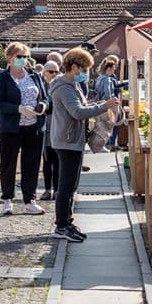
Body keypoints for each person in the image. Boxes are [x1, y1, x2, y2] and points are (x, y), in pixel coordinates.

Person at [48, 47, 121, 242]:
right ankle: (61, 225)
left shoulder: (72, 84)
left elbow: (81, 106)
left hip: (73, 139)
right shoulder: (64, 87)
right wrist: (103, 106)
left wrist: (97, 105)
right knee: (66, 185)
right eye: (83, 69)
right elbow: (77, 112)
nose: (85, 73)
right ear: (73, 67)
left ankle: (67, 221)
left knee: (72, 184)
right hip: (67, 140)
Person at [0, 43, 49, 216]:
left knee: (31, 164)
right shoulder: (3, 77)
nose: (23, 59)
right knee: (8, 164)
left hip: (34, 127)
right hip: (11, 128)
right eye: (19, 56)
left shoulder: (34, 76)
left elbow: (45, 98)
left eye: (25, 56)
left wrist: (42, 106)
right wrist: (17, 108)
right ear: (10, 58)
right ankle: (7, 199)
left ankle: (30, 200)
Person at [39, 61, 61, 201]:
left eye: (56, 71)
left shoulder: (61, 85)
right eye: (51, 71)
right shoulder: (41, 85)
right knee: (47, 161)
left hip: (58, 127)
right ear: (44, 72)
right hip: (45, 127)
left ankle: (58, 190)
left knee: (58, 161)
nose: (54, 74)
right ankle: (47, 189)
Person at [94, 58, 122, 151]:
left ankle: (100, 145)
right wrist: (113, 100)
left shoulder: (99, 78)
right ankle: (105, 145)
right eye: (113, 69)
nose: (114, 71)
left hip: (99, 104)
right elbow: (108, 94)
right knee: (108, 126)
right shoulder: (107, 80)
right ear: (109, 69)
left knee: (100, 125)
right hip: (107, 104)